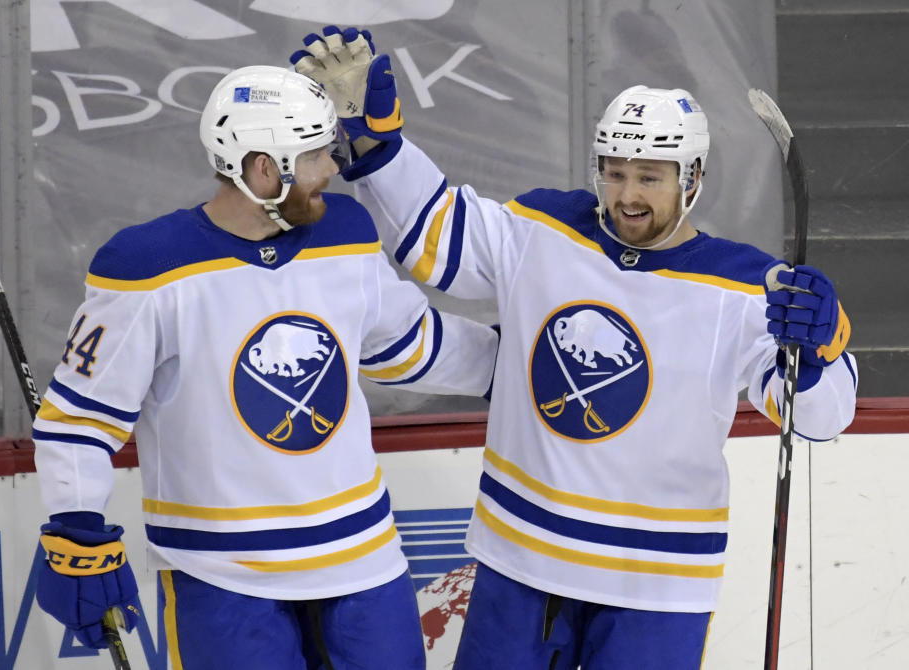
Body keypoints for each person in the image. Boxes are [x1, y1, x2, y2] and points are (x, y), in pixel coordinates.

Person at [291, 27, 858, 669]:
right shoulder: (548, 229)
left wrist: (818, 353)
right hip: (522, 562)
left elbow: (820, 419)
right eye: (614, 174)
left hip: (657, 585)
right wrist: (377, 146)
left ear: (692, 177)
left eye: (650, 177)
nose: (627, 196)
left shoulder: (744, 285)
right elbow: (437, 235)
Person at [30, 65, 499, 670]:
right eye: (313, 155)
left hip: (362, 559)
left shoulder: (346, 234)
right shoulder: (148, 267)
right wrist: (75, 529)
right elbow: (79, 419)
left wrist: (506, 365)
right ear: (261, 168)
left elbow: (405, 343)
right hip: (220, 574)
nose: (332, 167)